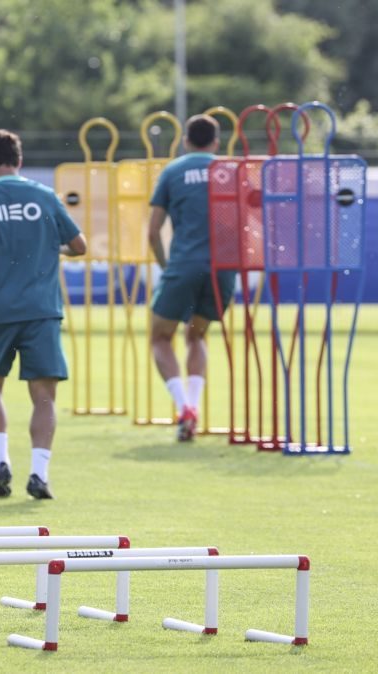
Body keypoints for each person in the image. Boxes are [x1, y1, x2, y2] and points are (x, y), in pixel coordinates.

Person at [0, 129, 86, 500]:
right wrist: (51, 248)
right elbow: (79, 246)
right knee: (44, 396)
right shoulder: (43, 196)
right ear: (19, 160)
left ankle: (1, 462)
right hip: (42, 310)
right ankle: (39, 473)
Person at [147, 114, 234, 442]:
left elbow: (153, 231)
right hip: (222, 269)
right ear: (216, 142)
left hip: (183, 265)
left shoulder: (173, 171)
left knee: (160, 337)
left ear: (185, 141)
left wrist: (165, 266)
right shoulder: (230, 170)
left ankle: (184, 407)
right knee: (196, 336)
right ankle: (194, 405)